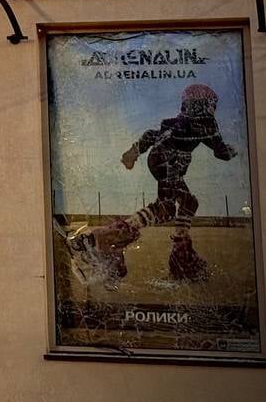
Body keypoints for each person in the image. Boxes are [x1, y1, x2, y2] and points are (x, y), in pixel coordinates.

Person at [69, 82, 236, 284]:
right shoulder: (206, 123)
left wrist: (133, 152)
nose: (213, 109)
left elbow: (151, 134)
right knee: (165, 208)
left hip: (160, 158)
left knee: (188, 202)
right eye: (211, 104)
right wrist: (235, 151)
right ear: (202, 105)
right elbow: (221, 152)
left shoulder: (177, 122)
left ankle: (180, 249)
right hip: (170, 161)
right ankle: (104, 237)